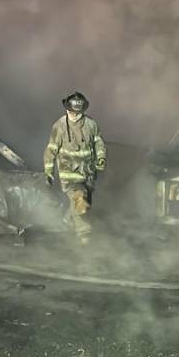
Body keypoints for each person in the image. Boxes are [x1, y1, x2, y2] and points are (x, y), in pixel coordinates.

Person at [43, 91, 107, 245]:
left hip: (88, 172)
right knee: (79, 198)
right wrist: (48, 171)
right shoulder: (59, 126)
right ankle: (84, 236)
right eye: (70, 110)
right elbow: (51, 149)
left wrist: (101, 158)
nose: (72, 114)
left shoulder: (91, 125)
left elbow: (99, 143)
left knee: (85, 204)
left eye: (75, 112)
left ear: (82, 111)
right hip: (69, 173)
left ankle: (67, 221)